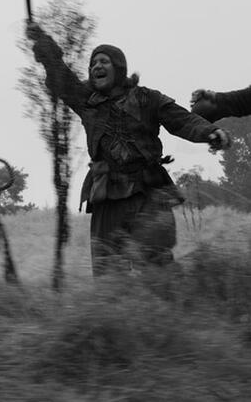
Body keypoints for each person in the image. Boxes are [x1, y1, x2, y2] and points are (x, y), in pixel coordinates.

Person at [26, 22, 230, 275]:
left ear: (119, 68)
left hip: (149, 194)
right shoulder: (86, 102)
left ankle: (170, 311)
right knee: (107, 273)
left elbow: (182, 120)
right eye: (93, 63)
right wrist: (43, 44)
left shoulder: (147, 98)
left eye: (104, 61)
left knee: (159, 271)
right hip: (107, 196)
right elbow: (61, 77)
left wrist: (209, 132)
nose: (96, 66)